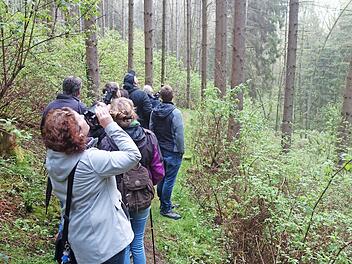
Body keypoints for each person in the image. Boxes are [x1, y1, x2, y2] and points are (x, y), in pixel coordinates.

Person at [42, 104, 141, 264]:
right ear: (78, 134)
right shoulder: (91, 161)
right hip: (107, 244)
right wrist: (109, 124)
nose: (83, 116)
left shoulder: (53, 158)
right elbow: (133, 155)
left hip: (80, 240)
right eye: (79, 118)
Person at [99, 97, 165, 264]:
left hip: (117, 199)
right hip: (142, 196)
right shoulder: (149, 137)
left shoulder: (107, 141)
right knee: (137, 241)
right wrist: (147, 183)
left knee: (123, 244)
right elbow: (158, 170)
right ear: (133, 113)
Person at [150, 85, 184, 220]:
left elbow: (151, 129)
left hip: (159, 149)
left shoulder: (154, 111)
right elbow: (179, 134)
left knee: (162, 177)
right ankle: (165, 208)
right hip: (172, 151)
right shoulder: (176, 113)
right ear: (172, 96)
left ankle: (165, 201)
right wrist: (180, 150)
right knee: (169, 179)